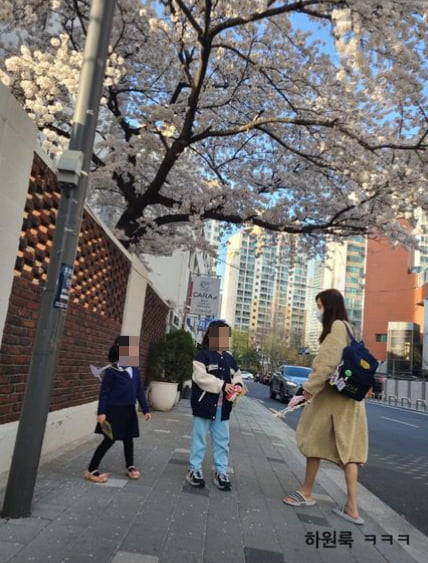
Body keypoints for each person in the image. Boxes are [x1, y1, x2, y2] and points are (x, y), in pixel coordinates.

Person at [283, 289, 368, 525]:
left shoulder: (338, 328)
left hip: (332, 401)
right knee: (349, 453)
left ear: (328, 307)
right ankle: (352, 508)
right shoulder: (352, 329)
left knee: (314, 441)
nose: (317, 311)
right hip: (350, 401)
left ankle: (307, 492)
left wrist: (307, 390)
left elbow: (327, 364)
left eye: (319, 306)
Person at [84, 335, 151, 483]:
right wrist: (101, 412)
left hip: (129, 411)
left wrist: (146, 409)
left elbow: (139, 390)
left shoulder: (135, 370)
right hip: (114, 411)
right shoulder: (112, 371)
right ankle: (91, 470)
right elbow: (104, 393)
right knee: (108, 440)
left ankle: (130, 466)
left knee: (128, 439)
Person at [186, 320, 244, 490]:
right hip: (203, 406)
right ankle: (194, 469)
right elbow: (200, 377)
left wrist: (238, 386)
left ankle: (221, 471)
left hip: (223, 408)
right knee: (199, 439)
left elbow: (237, 376)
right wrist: (222, 385)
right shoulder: (202, 356)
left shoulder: (230, 359)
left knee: (222, 441)